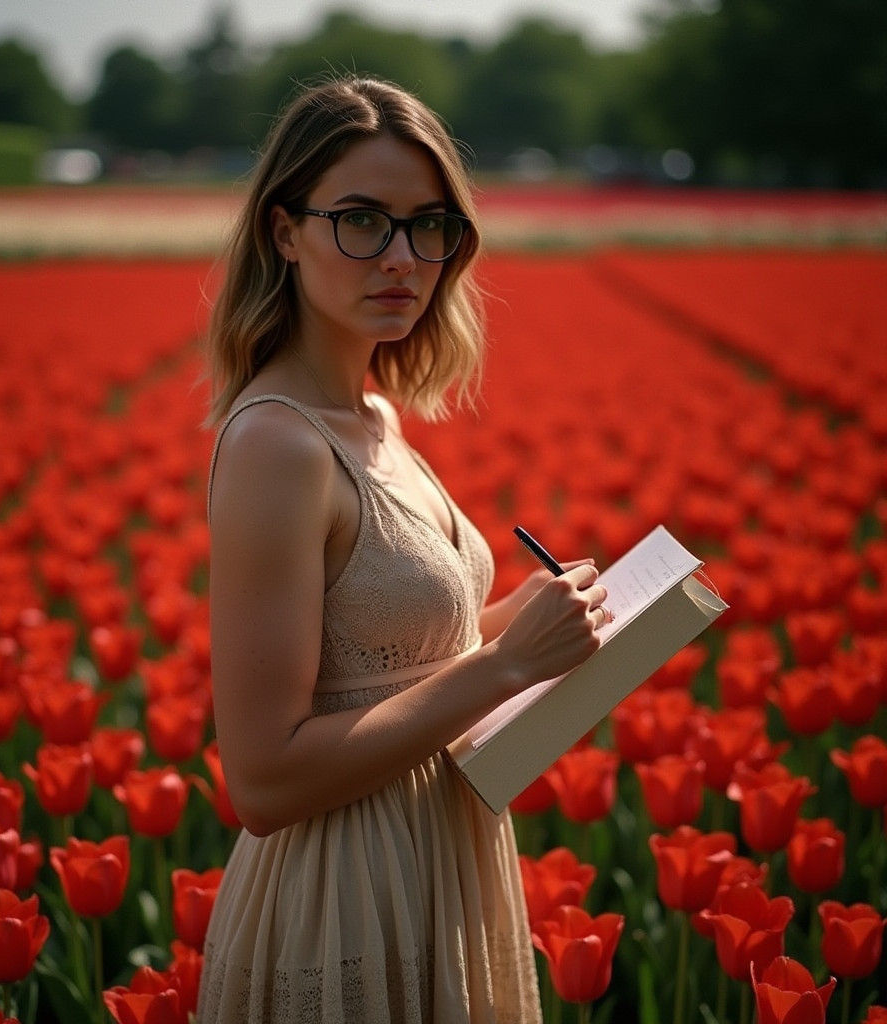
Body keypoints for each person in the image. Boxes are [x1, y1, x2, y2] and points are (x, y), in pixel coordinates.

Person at [196, 76, 611, 1024]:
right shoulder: (278, 444)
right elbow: (263, 780)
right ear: (283, 231)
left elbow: (389, 659)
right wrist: (506, 664)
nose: (402, 257)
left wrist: (538, 626)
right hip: (345, 882)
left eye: (430, 226)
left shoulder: (373, 413)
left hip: (438, 857)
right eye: (362, 220)